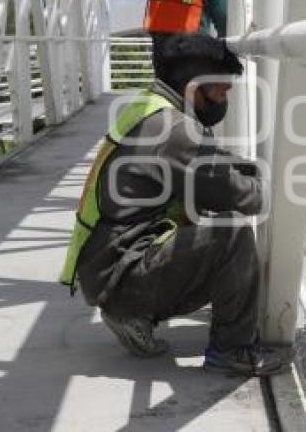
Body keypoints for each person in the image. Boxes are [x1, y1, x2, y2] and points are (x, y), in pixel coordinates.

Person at [59, 33, 283, 376]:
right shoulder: (174, 130)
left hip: (108, 266)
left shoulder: (149, 107)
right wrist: (279, 190)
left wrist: (247, 170)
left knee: (207, 215)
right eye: (222, 90)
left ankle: (132, 313)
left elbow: (209, 166)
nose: (226, 99)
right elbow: (241, 196)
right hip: (123, 273)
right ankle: (232, 351)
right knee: (232, 233)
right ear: (195, 86)